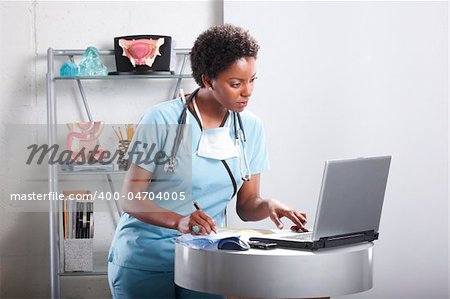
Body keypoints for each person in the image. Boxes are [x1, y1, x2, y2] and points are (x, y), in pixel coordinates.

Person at [107, 24, 308, 299]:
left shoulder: (251, 128)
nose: (247, 91)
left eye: (252, 80)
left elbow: (247, 207)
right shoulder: (161, 119)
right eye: (236, 84)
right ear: (207, 80)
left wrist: (269, 205)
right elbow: (130, 199)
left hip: (205, 259)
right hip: (146, 258)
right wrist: (179, 221)